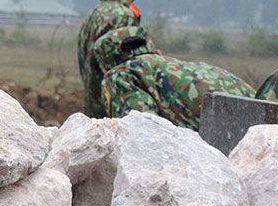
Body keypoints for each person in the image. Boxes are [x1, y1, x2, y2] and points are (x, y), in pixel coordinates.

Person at [95, 26, 255, 130]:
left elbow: (141, 133)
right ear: (157, 52)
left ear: (104, 68)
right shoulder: (193, 68)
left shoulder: (119, 75)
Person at [77, 0, 143, 118]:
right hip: (115, 129)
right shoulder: (124, 18)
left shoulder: (91, 18)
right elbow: (131, 86)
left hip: (93, 125)